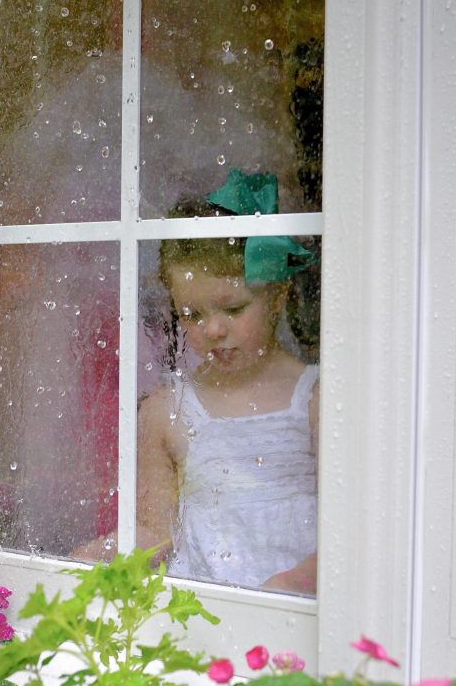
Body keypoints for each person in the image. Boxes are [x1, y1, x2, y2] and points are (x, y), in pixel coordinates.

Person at [75, 169, 319, 595]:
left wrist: (290, 585)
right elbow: (156, 532)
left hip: (292, 617)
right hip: (202, 614)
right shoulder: (166, 412)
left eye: (233, 309)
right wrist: (94, 558)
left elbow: (351, 535)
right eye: (192, 314)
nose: (213, 330)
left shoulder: (315, 399)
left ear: (277, 295)